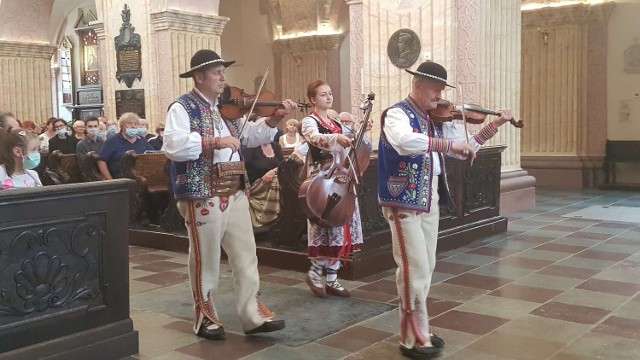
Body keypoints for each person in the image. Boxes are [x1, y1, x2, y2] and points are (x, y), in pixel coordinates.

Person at [378, 60, 513, 360]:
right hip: (403, 200)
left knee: (427, 267)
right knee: (414, 269)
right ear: (418, 86)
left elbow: (466, 144)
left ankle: (418, 327)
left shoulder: (432, 120)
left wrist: (495, 125)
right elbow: (404, 142)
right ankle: (412, 336)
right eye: (435, 91)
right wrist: (448, 146)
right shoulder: (397, 114)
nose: (439, 98)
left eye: (441, 92)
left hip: (428, 200)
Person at [162, 49, 297, 341]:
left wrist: (273, 120)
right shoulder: (182, 107)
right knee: (205, 258)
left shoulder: (224, 110)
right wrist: (215, 141)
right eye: (216, 72)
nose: (223, 77)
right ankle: (205, 316)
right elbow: (173, 146)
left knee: (246, 255)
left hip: (234, 190)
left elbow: (248, 137)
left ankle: (252, 315)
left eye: (223, 71)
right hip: (202, 193)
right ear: (199, 77)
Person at [300, 80, 364, 298]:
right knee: (325, 224)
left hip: (341, 177)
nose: (328, 97)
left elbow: (351, 140)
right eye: (323, 95)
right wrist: (336, 137)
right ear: (313, 100)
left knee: (342, 223)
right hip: (322, 179)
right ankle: (316, 271)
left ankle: (332, 278)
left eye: (330, 93)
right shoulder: (309, 120)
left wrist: (358, 131)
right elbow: (313, 138)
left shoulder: (337, 121)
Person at [98, 112, 153, 179]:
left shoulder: (142, 140)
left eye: (135, 124)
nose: (133, 126)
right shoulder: (112, 141)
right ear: (121, 126)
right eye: (129, 123)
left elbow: (152, 155)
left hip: (143, 179)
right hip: (121, 180)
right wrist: (110, 180)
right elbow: (101, 161)